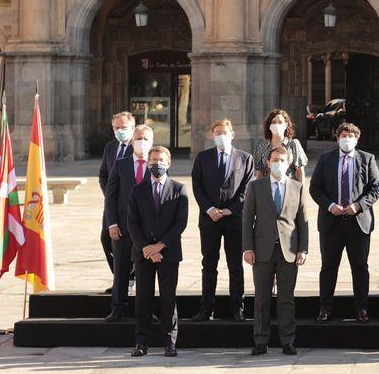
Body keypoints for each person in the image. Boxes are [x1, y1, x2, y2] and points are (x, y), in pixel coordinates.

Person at [311, 122, 379, 324]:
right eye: (343, 135)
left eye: (351, 135)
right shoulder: (326, 159)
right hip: (331, 222)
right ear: (337, 138)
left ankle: (361, 308)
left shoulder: (367, 159)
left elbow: (376, 188)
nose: (347, 138)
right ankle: (325, 308)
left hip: (357, 222)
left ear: (357, 139)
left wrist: (359, 205)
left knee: (360, 267)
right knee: (328, 267)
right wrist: (329, 205)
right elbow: (315, 188)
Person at [243, 145, 309, 356]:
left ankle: (287, 340)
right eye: (274, 160)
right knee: (261, 297)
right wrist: (247, 248)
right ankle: (261, 340)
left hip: (288, 250)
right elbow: (247, 220)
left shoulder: (297, 187)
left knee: (286, 298)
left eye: (282, 160)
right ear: (268, 163)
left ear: (288, 163)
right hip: (262, 250)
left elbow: (303, 221)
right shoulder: (256, 187)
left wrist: (303, 249)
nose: (278, 163)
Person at [187, 119, 255, 322]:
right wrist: (209, 209)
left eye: (224, 132)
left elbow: (246, 189)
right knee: (209, 264)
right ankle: (206, 308)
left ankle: (237, 308)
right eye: (217, 132)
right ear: (212, 135)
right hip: (209, 220)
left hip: (234, 220)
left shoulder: (245, 159)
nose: (221, 136)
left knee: (235, 265)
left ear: (232, 134)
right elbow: (197, 185)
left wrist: (229, 210)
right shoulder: (203, 158)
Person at [126, 146, 188, 358]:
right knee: (143, 298)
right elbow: (132, 223)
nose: (157, 164)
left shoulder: (179, 189)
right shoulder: (137, 190)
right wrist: (146, 248)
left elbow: (180, 224)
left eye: (161, 160)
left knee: (168, 299)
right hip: (143, 254)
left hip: (168, 253)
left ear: (168, 163)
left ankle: (170, 342)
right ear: (148, 162)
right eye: (153, 160)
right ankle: (141, 342)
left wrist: (159, 246)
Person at [104, 124, 153, 321]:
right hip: (123, 228)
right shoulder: (121, 163)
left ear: (152, 143)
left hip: (147, 230)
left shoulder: (157, 163)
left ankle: (146, 311)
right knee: (121, 270)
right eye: (138, 138)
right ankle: (118, 308)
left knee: (146, 273)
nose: (141, 142)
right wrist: (112, 223)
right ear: (132, 141)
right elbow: (111, 195)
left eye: (145, 139)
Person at [98, 111, 136, 283]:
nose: (120, 130)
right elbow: (103, 174)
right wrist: (109, 196)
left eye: (124, 127)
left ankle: (131, 277)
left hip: (132, 204)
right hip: (113, 205)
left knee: (131, 241)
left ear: (132, 128)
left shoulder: (139, 147)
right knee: (106, 239)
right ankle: (121, 277)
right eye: (117, 127)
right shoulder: (110, 147)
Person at [252, 109, 308, 181]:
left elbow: (300, 172)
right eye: (274, 122)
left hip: (289, 188)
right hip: (268, 188)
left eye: (280, 122)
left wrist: (300, 191)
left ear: (286, 125)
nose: (277, 125)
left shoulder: (293, 145)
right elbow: (260, 174)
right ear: (269, 126)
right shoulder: (261, 148)